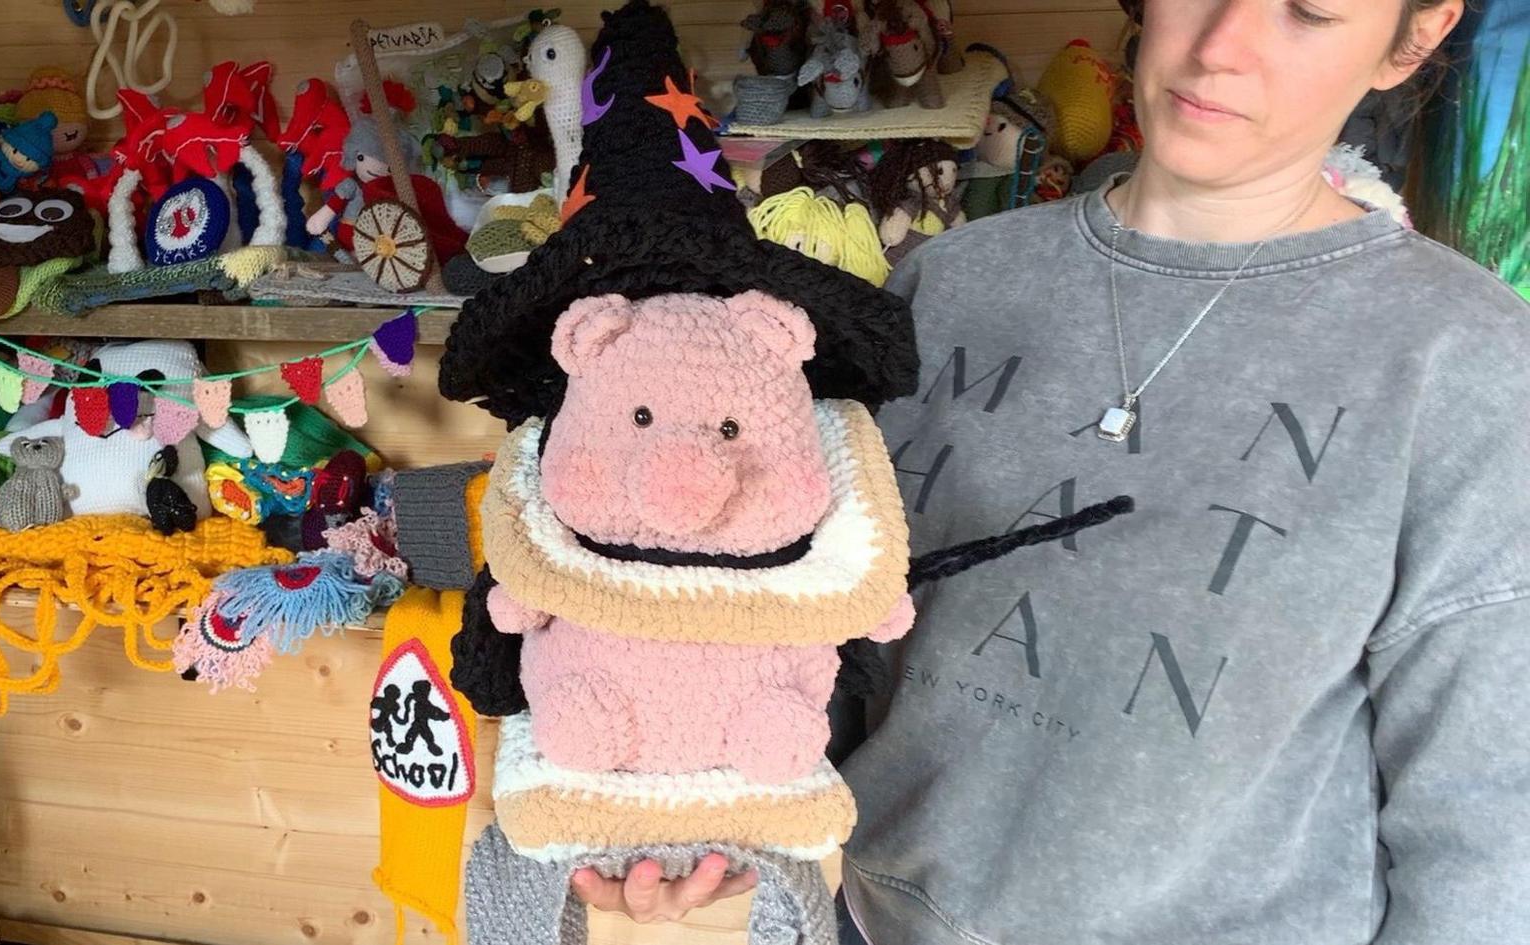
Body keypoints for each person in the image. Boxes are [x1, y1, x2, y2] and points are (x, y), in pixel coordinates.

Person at [574, 0, 1530, 941]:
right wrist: (701, 810)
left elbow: (1486, 818)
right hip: (873, 918)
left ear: (1414, 38)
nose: (1220, 47)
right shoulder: (946, 284)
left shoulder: (1464, 361)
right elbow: (817, 620)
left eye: (1308, 10)